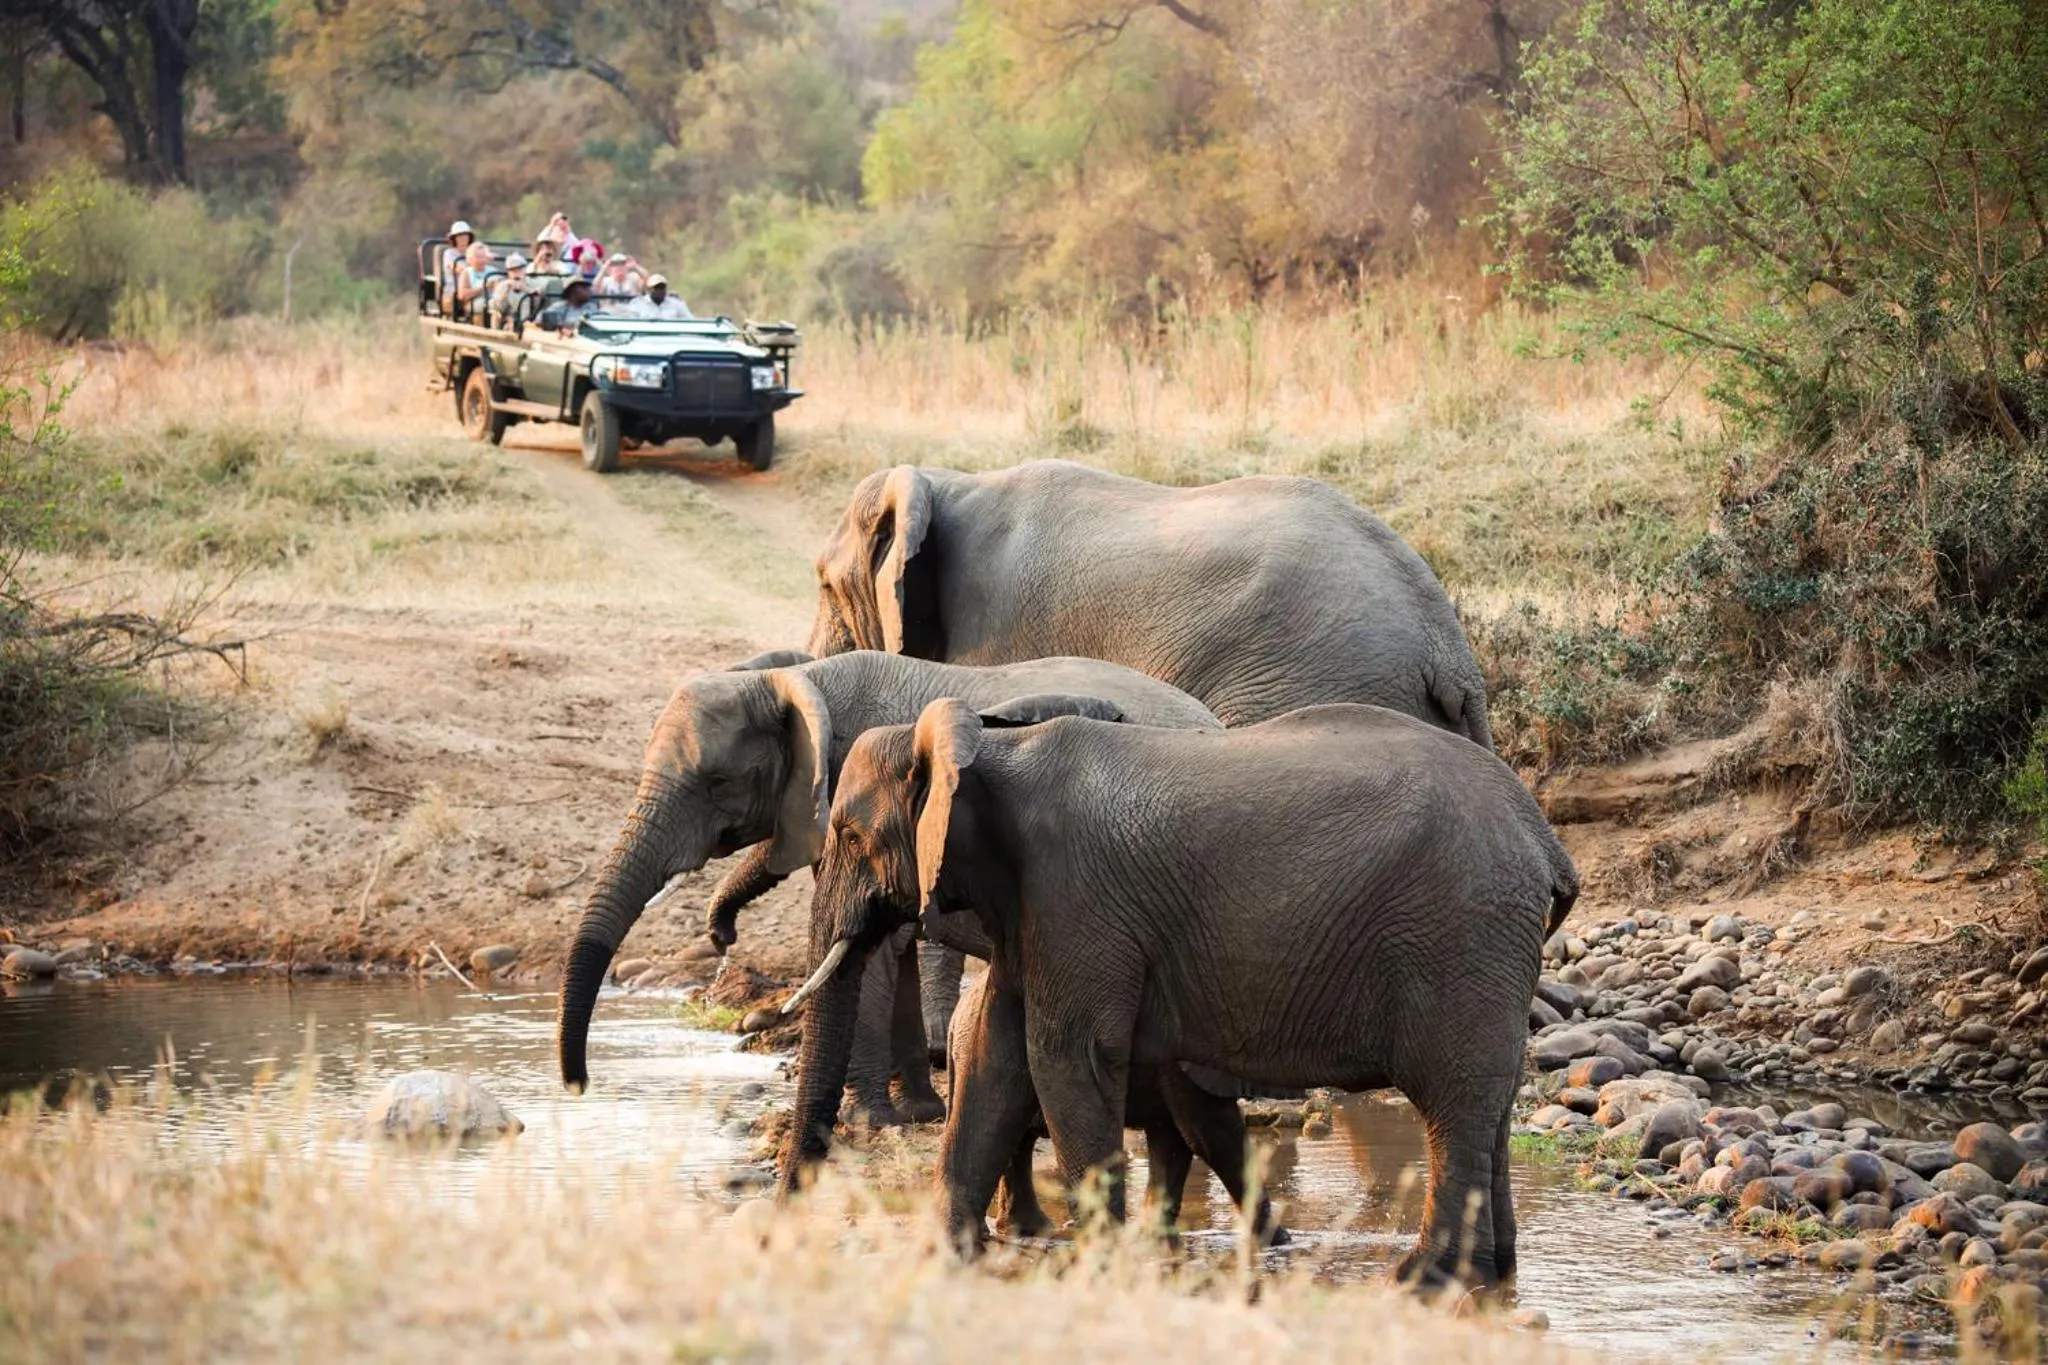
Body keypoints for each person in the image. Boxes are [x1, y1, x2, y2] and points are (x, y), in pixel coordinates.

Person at [490, 252, 541, 328]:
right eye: (512, 270)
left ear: (524, 269)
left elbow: (537, 301)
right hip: (506, 316)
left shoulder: (532, 282)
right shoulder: (504, 285)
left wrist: (525, 289)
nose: (516, 273)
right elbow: (496, 307)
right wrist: (506, 292)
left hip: (526, 318)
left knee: (525, 299)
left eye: (519, 269)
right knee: (496, 312)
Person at [440, 220, 476, 313]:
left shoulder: (474, 253)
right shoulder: (449, 254)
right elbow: (459, 269)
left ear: (469, 237)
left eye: (465, 235)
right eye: (459, 236)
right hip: (453, 294)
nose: (463, 238)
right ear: (454, 239)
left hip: (472, 291)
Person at [453, 240, 496, 320]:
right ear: (470, 259)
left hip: (493, 300)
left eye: (483, 257)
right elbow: (462, 295)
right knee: (493, 304)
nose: (481, 260)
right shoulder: (467, 272)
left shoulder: (493, 270)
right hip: (475, 303)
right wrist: (483, 287)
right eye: (477, 257)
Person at [625, 274, 692, 319]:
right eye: (656, 288)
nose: (659, 291)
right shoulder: (638, 304)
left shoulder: (676, 304)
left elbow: (690, 322)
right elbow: (628, 323)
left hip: (670, 338)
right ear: (649, 290)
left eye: (662, 288)